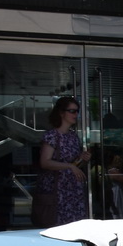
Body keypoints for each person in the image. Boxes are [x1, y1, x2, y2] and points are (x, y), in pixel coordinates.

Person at [35, 96, 88, 226]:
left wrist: (81, 159)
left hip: (73, 191)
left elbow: (74, 165)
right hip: (57, 191)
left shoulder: (73, 136)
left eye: (77, 111)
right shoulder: (52, 135)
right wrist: (70, 166)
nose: (75, 114)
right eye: (72, 111)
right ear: (61, 113)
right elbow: (45, 162)